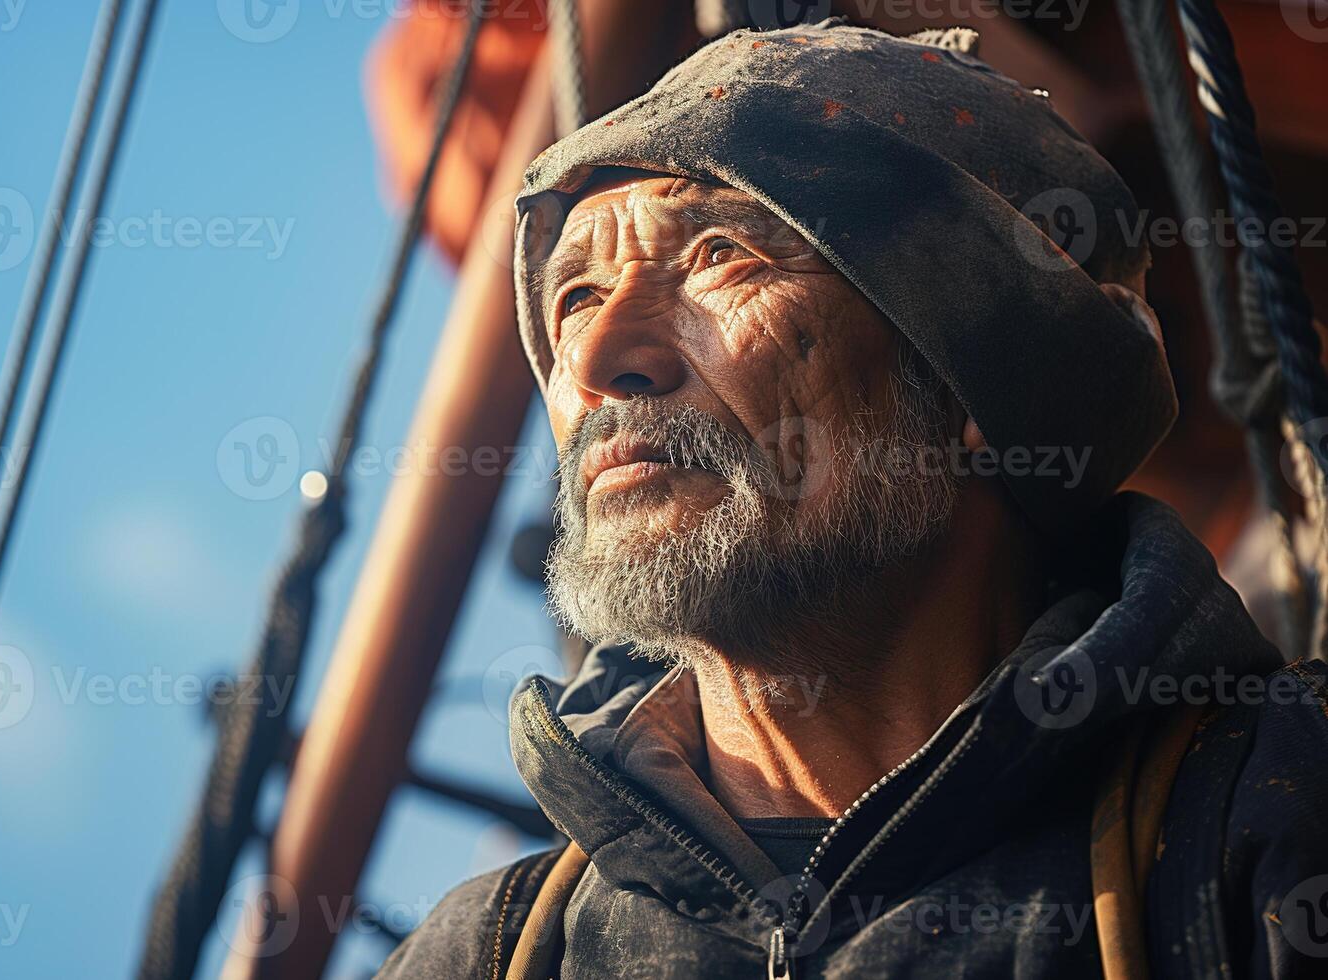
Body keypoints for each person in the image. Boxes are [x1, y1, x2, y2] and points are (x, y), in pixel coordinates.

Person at [379, 20, 1328, 979]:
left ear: (980, 380)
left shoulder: (1277, 812)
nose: (597, 357)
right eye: (574, 296)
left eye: (719, 255)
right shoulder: (484, 952)